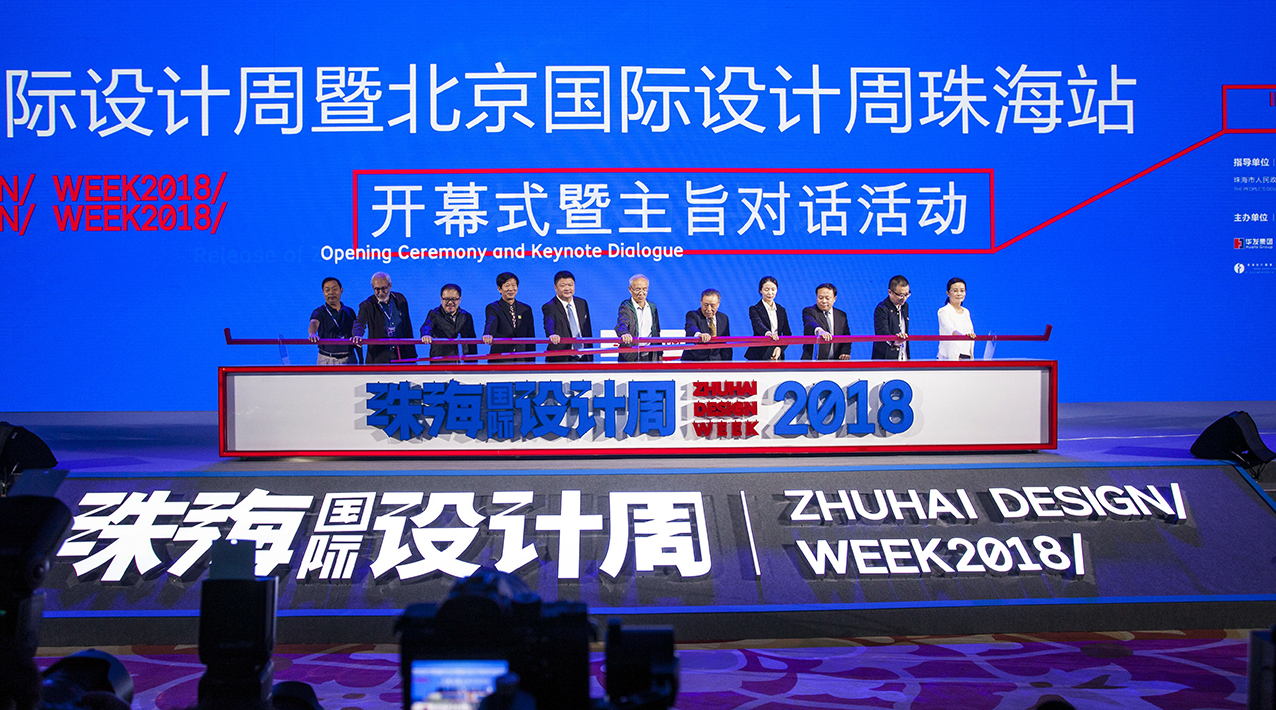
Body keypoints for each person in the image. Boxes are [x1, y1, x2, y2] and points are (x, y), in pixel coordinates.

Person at [352, 271, 417, 364]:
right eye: (377, 289)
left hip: (403, 354)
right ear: (372, 287)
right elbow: (360, 322)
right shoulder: (367, 305)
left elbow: (407, 327)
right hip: (379, 357)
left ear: (390, 286)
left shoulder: (400, 299)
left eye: (383, 288)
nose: (381, 293)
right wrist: (357, 335)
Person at [483, 271, 535, 362]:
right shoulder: (493, 308)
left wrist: (531, 361)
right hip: (501, 359)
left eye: (514, 285)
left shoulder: (526, 309)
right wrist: (488, 334)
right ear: (499, 289)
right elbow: (491, 321)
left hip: (522, 359)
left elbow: (530, 336)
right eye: (507, 285)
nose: (511, 289)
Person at [543, 270, 593, 362]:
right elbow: (549, 323)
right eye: (562, 285)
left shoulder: (582, 303)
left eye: (570, 285)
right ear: (555, 287)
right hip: (561, 358)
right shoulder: (550, 306)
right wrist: (552, 334)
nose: (567, 288)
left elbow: (587, 330)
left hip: (584, 357)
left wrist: (590, 355)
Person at [420, 283, 477, 364]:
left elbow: (472, 340)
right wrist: (426, 335)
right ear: (441, 299)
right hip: (440, 362)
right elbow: (427, 326)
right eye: (446, 299)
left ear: (459, 299)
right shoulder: (434, 314)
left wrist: (473, 362)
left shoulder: (466, 316)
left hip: (461, 362)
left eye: (454, 299)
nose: (450, 303)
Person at [308, 276, 356, 364]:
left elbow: (356, 332)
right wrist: (312, 334)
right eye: (327, 290)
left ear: (341, 290)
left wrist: (361, 359)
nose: (331, 293)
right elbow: (314, 323)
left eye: (334, 289)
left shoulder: (350, 311)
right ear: (323, 292)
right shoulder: (319, 312)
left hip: (349, 358)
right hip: (327, 359)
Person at [616, 274, 662, 362]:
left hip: (650, 355)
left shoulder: (652, 307)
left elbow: (657, 332)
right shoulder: (626, 306)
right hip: (630, 356)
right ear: (630, 289)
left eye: (644, 289)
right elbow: (622, 323)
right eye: (637, 289)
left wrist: (660, 355)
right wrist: (624, 333)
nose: (641, 293)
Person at [745, 276, 791, 361]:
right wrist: (768, 334)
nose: (770, 293)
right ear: (760, 290)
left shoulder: (781, 310)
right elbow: (758, 324)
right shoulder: (754, 309)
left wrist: (780, 348)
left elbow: (787, 333)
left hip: (777, 353)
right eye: (766, 289)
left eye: (773, 289)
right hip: (759, 353)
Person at [802, 283, 851, 360]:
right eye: (820, 298)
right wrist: (820, 331)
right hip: (813, 361)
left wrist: (844, 352)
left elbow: (846, 337)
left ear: (834, 299)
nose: (824, 301)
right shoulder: (809, 311)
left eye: (827, 298)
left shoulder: (841, 315)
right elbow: (810, 323)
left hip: (835, 362)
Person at [682, 288, 732, 361]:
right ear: (701, 302)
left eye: (712, 305)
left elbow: (725, 345)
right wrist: (699, 335)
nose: (709, 309)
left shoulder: (724, 318)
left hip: (716, 362)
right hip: (695, 361)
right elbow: (691, 328)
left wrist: (728, 364)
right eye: (706, 305)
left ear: (718, 304)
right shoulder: (693, 315)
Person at [937, 277, 977, 360]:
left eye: (962, 291)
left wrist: (971, 335)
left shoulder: (966, 312)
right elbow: (949, 329)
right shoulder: (943, 311)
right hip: (950, 357)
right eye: (955, 291)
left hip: (967, 356)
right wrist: (963, 336)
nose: (959, 294)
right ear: (948, 293)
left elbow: (970, 331)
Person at [872, 274, 910, 360]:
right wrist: (895, 341)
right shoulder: (882, 308)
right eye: (901, 295)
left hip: (903, 356)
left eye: (907, 294)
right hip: (886, 357)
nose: (904, 298)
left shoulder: (905, 306)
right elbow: (882, 332)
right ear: (890, 292)